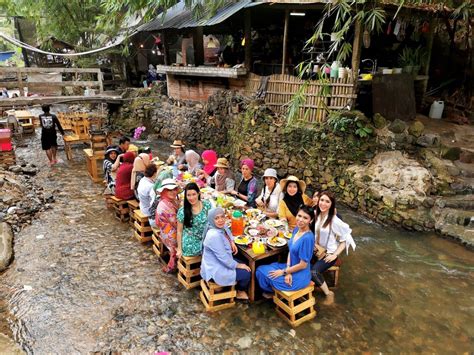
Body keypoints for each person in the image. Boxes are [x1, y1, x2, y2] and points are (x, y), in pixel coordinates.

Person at [256, 205, 315, 298]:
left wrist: (284, 272)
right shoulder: (296, 229)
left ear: (311, 220)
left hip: (299, 275)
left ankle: (273, 292)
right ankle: (273, 291)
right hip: (290, 267)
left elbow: (303, 265)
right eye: (299, 216)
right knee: (264, 267)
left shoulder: (308, 238)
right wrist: (288, 271)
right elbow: (291, 252)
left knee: (260, 270)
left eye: (305, 218)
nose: (300, 220)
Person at [312, 191, 356, 305]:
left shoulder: (334, 220)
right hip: (316, 250)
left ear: (331, 204)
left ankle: (328, 293)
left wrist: (335, 254)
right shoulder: (316, 214)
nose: (323, 203)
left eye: (327, 201)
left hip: (328, 254)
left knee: (314, 272)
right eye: (322, 200)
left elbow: (346, 237)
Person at [200, 207, 251, 300]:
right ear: (211, 219)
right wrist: (239, 265)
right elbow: (224, 259)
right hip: (216, 269)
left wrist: (231, 241)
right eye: (216, 218)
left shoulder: (215, 226)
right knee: (247, 272)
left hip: (215, 262)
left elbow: (226, 228)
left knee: (244, 262)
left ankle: (228, 285)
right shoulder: (214, 235)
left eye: (222, 217)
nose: (220, 220)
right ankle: (240, 291)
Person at [176, 183, 212, 258]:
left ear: (198, 193)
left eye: (194, 194)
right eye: (188, 195)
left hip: (205, 237)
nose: (191, 198)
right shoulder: (182, 211)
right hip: (191, 241)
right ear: (185, 196)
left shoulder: (207, 205)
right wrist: (179, 248)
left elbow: (212, 221)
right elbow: (179, 231)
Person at [155, 178, 180, 273]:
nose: (173, 192)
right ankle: (172, 266)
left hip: (166, 231)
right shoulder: (166, 206)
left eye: (174, 189)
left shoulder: (168, 201)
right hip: (170, 234)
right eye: (170, 190)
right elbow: (177, 224)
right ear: (164, 191)